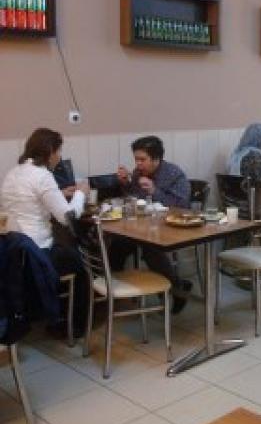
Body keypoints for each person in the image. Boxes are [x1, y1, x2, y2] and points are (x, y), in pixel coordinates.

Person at [1, 128, 90, 336]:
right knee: (80, 266)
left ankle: (55, 314)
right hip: (38, 253)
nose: (60, 156)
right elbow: (67, 217)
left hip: (15, 251)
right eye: (59, 151)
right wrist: (80, 194)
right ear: (50, 151)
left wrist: (59, 193)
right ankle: (73, 326)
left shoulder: (14, 173)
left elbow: (30, 200)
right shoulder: (43, 175)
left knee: (68, 253)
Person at [112, 136, 192, 314]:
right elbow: (134, 198)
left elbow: (183, 205)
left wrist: (155, 190)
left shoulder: (174, 174)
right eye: (136, 159)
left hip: (170, 226)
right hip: (143, 226)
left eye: (142, 159)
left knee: (151, 247)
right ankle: (114, 293)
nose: (138, 164)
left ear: (156, 159)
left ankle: (175, 289)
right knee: (117, 243)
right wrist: (125, 183)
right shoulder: (138, 173)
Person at [228, 123, 261, 188]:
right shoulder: (255, 157)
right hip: (252, 193)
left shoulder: (237, 154)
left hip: (235, 193)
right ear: (258, 140)